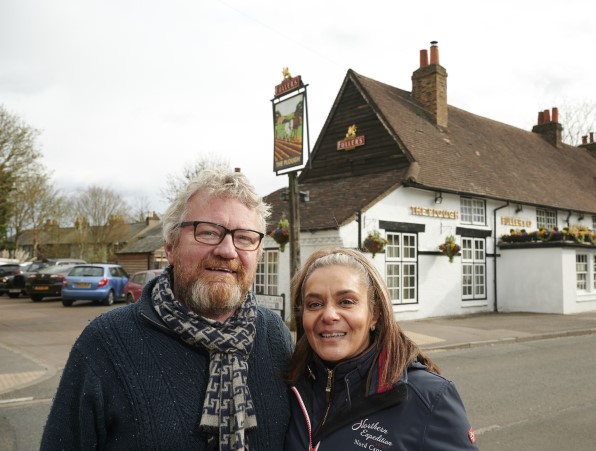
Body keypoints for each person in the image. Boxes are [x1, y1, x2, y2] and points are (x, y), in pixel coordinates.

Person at [40, 168, 293, 451]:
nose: (227, 250)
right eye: (208, 232)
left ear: (258, 253)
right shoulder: (105, 342)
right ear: (170, 247)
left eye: (245, 238)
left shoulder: (274, 335)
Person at [284, 247, 479, 450]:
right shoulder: (289, 388)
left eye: (346, 302)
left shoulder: (429, 396)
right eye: (314, 304)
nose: (329, 315)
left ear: (374, 314)